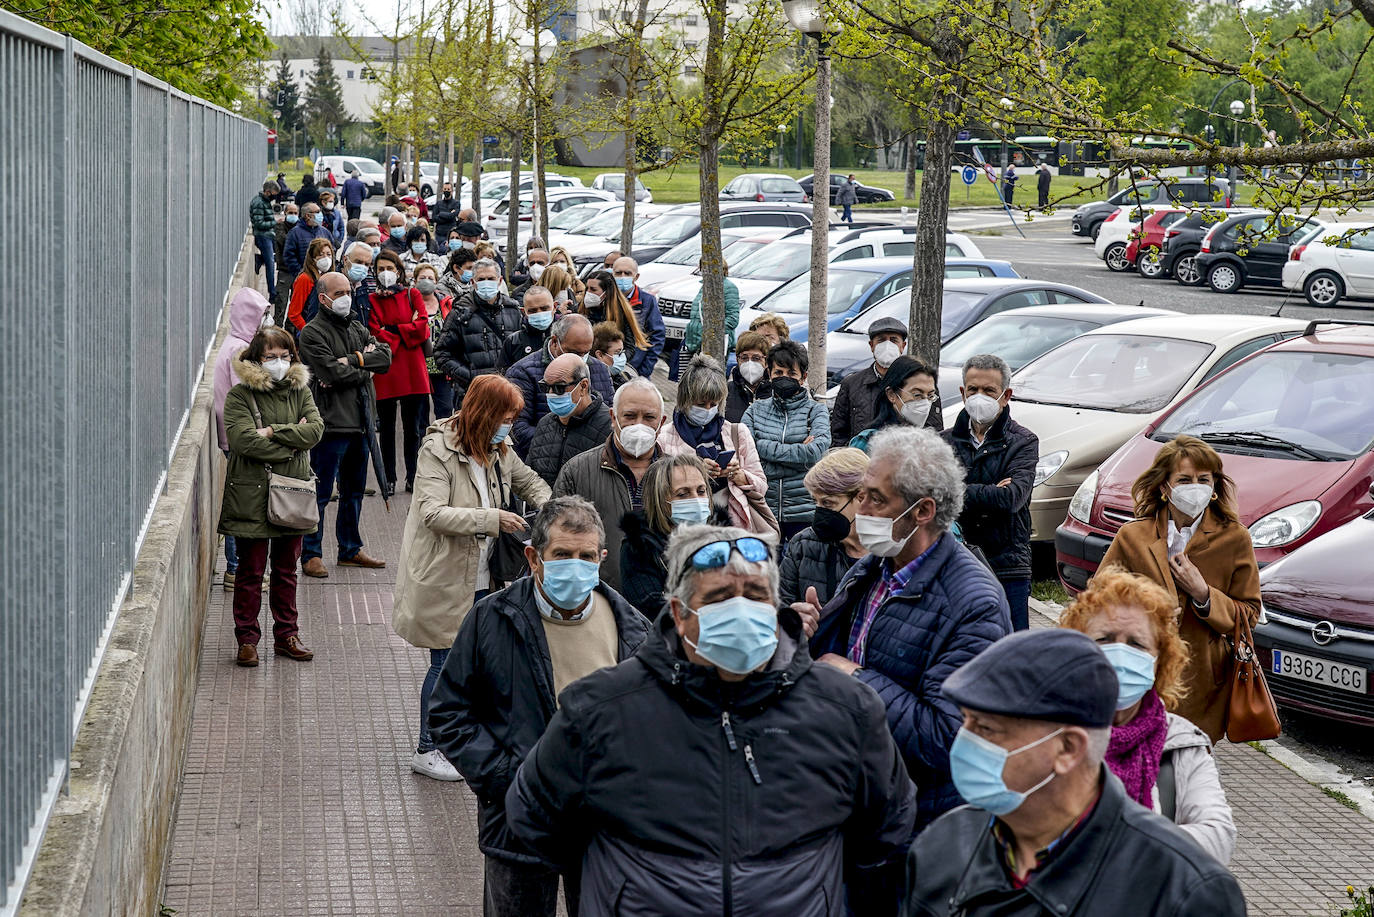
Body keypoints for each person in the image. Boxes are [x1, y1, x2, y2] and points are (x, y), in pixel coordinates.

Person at [505, 524, 917, 916]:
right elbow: (535, 816)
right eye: (719, 597)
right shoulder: (600, 708)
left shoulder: (846, 708)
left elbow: (885, 831)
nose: (741, 610)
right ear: (679, 614)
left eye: (755, 594)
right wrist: (619, 883)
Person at [903, 629, 1247, 916]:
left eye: (987, 729)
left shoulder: (1184, 890)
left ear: (1068, 749)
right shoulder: (942, 845)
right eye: (966, 722)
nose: (964, 743)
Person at [429, 496, 651, 917]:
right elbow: (449, 714)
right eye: (562, 554)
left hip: (604, 828)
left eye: (586, 556)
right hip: (519, 825)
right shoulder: (491, 619)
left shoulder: (634, 630)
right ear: (534, 557)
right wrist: (507, 779)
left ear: (602, 558)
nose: (576, 564)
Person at [803, 426, 1011, 829]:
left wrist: (855, 679)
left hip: (920, 822)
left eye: (876, 499)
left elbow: (949, 739)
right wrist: (810, 634)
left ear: (923, 511)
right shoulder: (875, 567)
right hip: (860, 797)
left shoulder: (974, 603)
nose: (859, 510)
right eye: (860, 494)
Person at [393, 374, 551, 782]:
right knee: (445, 663)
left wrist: (553, 507)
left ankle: (458, 738)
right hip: (445, 575)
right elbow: (432, 513)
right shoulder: (438, 451)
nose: (509, 426)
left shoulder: (498, 448)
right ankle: (428, 748)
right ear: (484, 414)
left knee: (476, 662)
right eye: (505, 417)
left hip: (484, 574)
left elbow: (527, 479)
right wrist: (492, 519)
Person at [1060, 566, 1237, 863]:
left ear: (1159, 661)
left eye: (1136, 644)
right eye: (1104, 639)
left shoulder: (1181, 743)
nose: (1119, 652)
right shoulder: (1045, 733)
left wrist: (1123, 840)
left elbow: (1218, 838)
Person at [1100, 435, 1261, 743]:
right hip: (1138, 672)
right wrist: (1148, 611)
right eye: (1184, 479)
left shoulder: (1234, 538)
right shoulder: (1132, 536)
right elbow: (1099, 600)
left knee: (1187, 767)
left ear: (1214, 487)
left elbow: (1249, 614)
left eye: (1204, 479)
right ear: (1165, 487)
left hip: (1201, 682)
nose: (1195, 487)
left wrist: (1204, 595)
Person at [218, 326, 324, 666]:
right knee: (250, 572)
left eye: (284, 356)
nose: (279, 363)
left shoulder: (300, 390)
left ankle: (286, 635)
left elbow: (316, 430)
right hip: (251, 495)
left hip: (291, 493)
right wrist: (292, 445)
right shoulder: (239, 396)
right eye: (270, 357)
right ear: (256, 359)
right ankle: (247, 639)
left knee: (286, 571)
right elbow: (243, 441)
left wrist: (274, 431)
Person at [296, 272, 393, 578]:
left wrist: (351, 362)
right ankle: (311, 553)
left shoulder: (356, 326)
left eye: (348, 291)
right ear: (323, 298)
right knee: (321, 493)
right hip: (330, 425)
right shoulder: (312, 333)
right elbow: (330, 374)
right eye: (339, 293)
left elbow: (386, 358)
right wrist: (365, 367)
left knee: (353, 492)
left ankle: (350, 549)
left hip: (361, 422)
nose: (346, 297)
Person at [942, 353, 1038, 632]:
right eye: (973, 390)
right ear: (962, 393)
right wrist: (989, 492)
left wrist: (958, 490)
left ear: (1005, 396)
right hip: (957, 560)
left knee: (1012, 647)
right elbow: (937, 495)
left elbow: (1011, 499)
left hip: (1007, 563)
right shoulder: (944, 442)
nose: (979, 397)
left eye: (989, 391)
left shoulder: (1023, 441)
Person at [551, 377, 664, 591]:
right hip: (598, 598)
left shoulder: (678, 476)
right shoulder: (577, 470)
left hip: (661, 603)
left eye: (649, 417)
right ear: (613, 417)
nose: (639, 425)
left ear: (662, 422)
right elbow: (554, 538)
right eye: (629, 416)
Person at [656, 355, 769, 533]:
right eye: (700, 404)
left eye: (713, 404)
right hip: (681, 530)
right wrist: (695, 471)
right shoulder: (664, 437)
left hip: (733, 527)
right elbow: (655, 490)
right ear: (685, 400)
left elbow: (762, 485)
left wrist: (738, 475)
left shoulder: (736, 432)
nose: (708, 410)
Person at [212, 288, 273, 592]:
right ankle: (236, 568)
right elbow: (248, 398)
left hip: (234, 437)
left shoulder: (236, 344)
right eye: (261, 315)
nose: (265, 322)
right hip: (241, 439)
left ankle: (240, 567)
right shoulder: (240, 352)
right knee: (244, 504)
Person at [741, 341, 830, 541]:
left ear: (803, 377)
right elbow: (746, 453)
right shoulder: (755, 410)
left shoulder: (816, 410)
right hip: (763, 508)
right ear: (769, 374)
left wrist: (762, 448)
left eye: (792, 373)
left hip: (805, 512)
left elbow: (816, 452)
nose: (784, 378)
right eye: (778, 372)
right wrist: (801, 464)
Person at [619, 454, 716, 615]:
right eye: (682, 494)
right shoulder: (639, 548)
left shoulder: (724, 538)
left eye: (701, 491)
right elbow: (650, 611)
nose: (696, 500)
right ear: (660, 498)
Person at [506, 314, 616, 456]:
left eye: (586, 352)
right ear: (554, 342)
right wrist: (565, 445)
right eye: (574, 352)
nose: (581, 358)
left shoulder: (600, 369)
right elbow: (516, 427)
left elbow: (610, 417)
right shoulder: (522, 372)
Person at [368, 252, 432, 492]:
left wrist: (392, 329)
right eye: (380, 268)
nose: (385, 272)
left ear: (398, 270)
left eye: (389, 267)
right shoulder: (372, 299)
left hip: (413, 369)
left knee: (413, 428)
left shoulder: (411, 293)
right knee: (386, 428)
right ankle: (389, 478)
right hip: (387, 368)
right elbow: (374, 331)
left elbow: (422, 326)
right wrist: (405, 330)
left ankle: (413, 476)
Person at [778, 447, 868, 607]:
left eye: (827, 503)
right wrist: (794, 620)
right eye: (816, 502)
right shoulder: (802, 545)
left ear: (861, 498)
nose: (820, 512)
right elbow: (778, 605)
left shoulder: (888, 553)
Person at [434, 257, 525, 411]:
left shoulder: (513, 310)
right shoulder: (460, 312)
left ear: (499, 280)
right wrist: (470, 377)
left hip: (507, 392)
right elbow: (442, 354)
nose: (486, 282)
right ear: (473, 282)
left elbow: (521, 349)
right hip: (473, 394)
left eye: (491, 278)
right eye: (481, 279)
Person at [832, 317, 934, 445]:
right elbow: (838, 435)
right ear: (871, 345)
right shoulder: (852, 384)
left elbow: (934, 431)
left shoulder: (922, 386)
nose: (887, 345)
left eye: (893, 340)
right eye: (881, 340)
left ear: (903, 346)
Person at [526, 353, 613, 487]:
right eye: (545, 387)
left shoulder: (609, 428)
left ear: (583, 386)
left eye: (559, 388)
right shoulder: (545, 424)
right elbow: (530, 476)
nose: (550, 394)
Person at [848, 355, 943, 451]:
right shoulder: (867, 442)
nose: (925, 403)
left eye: (930, 396)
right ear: (891, 394)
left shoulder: (932, 444)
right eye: (917, 395)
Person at [681, 258, 740, 378]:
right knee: (689, 381)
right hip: (694, 342)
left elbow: (733, 318)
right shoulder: (705, 285)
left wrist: (710, 335)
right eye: (703, 267)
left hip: (711, 344)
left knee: (708, 381)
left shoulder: (728, 287)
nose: (704, 270)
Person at [579, 270, 650, 368]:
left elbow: (630, 347)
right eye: (587, 288)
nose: (588, 293)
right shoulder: (580, 308)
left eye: (593, 289)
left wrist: (618, 360)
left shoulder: (621, 313)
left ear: (606, 293)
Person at [611, 256, 665, 377]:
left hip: (636, 368)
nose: (623, 276)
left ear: (636, 277)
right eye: (618, 273)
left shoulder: (647, 301)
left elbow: (657, 335)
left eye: (627, 273)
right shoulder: (607, 299)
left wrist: (645, 370)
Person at [285, 237, 335, 333]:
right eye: (321, 254)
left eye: (329, 254)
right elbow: (294, 313)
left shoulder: (328, 277)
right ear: (313, 258)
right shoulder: (305, 279)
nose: (326, 258)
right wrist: (308, 332)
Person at [503, 286, 555, 367]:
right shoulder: (514, 341)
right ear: (524, 312)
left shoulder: (565, 336)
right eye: (533, 310)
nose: (539, 313)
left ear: (554, 307)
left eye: (544, 308)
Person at [725, 330, 770, 422]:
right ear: (737, 360)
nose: (750, 363)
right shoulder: (726, 392)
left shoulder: (775, 393)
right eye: (744, 358)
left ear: (766, 362)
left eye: (756, 358)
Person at [249, 180, 280, 300]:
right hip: (263, 236)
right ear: (268, 192)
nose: (275, 196)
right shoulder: (259, 202)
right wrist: (275, 222)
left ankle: (259, 259)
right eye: (274, 193)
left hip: (267, 235)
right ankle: (272, 293)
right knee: (270, 264)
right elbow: (259, 223)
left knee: (272, 260)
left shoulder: (264, 201)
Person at [273, 202, 300, 323]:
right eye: (291, 213)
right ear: (285, 213)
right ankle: (278, 327)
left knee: (295, 304)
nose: (293, 215)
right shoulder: (280, 227)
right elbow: (283, 240)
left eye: (295, 213)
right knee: (281, 302)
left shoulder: (300, 228)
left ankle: (291, 330)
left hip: (298, 271)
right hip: (284, 270)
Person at [339, 240, 377, 327]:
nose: (362, 267)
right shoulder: (331, 283)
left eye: (366, 264)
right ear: (345, 260)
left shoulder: (364, 286)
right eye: (358, 262)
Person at [590, 322, 637, 388]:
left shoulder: (626, 378)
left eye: (622, 351)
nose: (622, 356)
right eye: (617, 352)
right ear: (600, 355)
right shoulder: (590, 383)